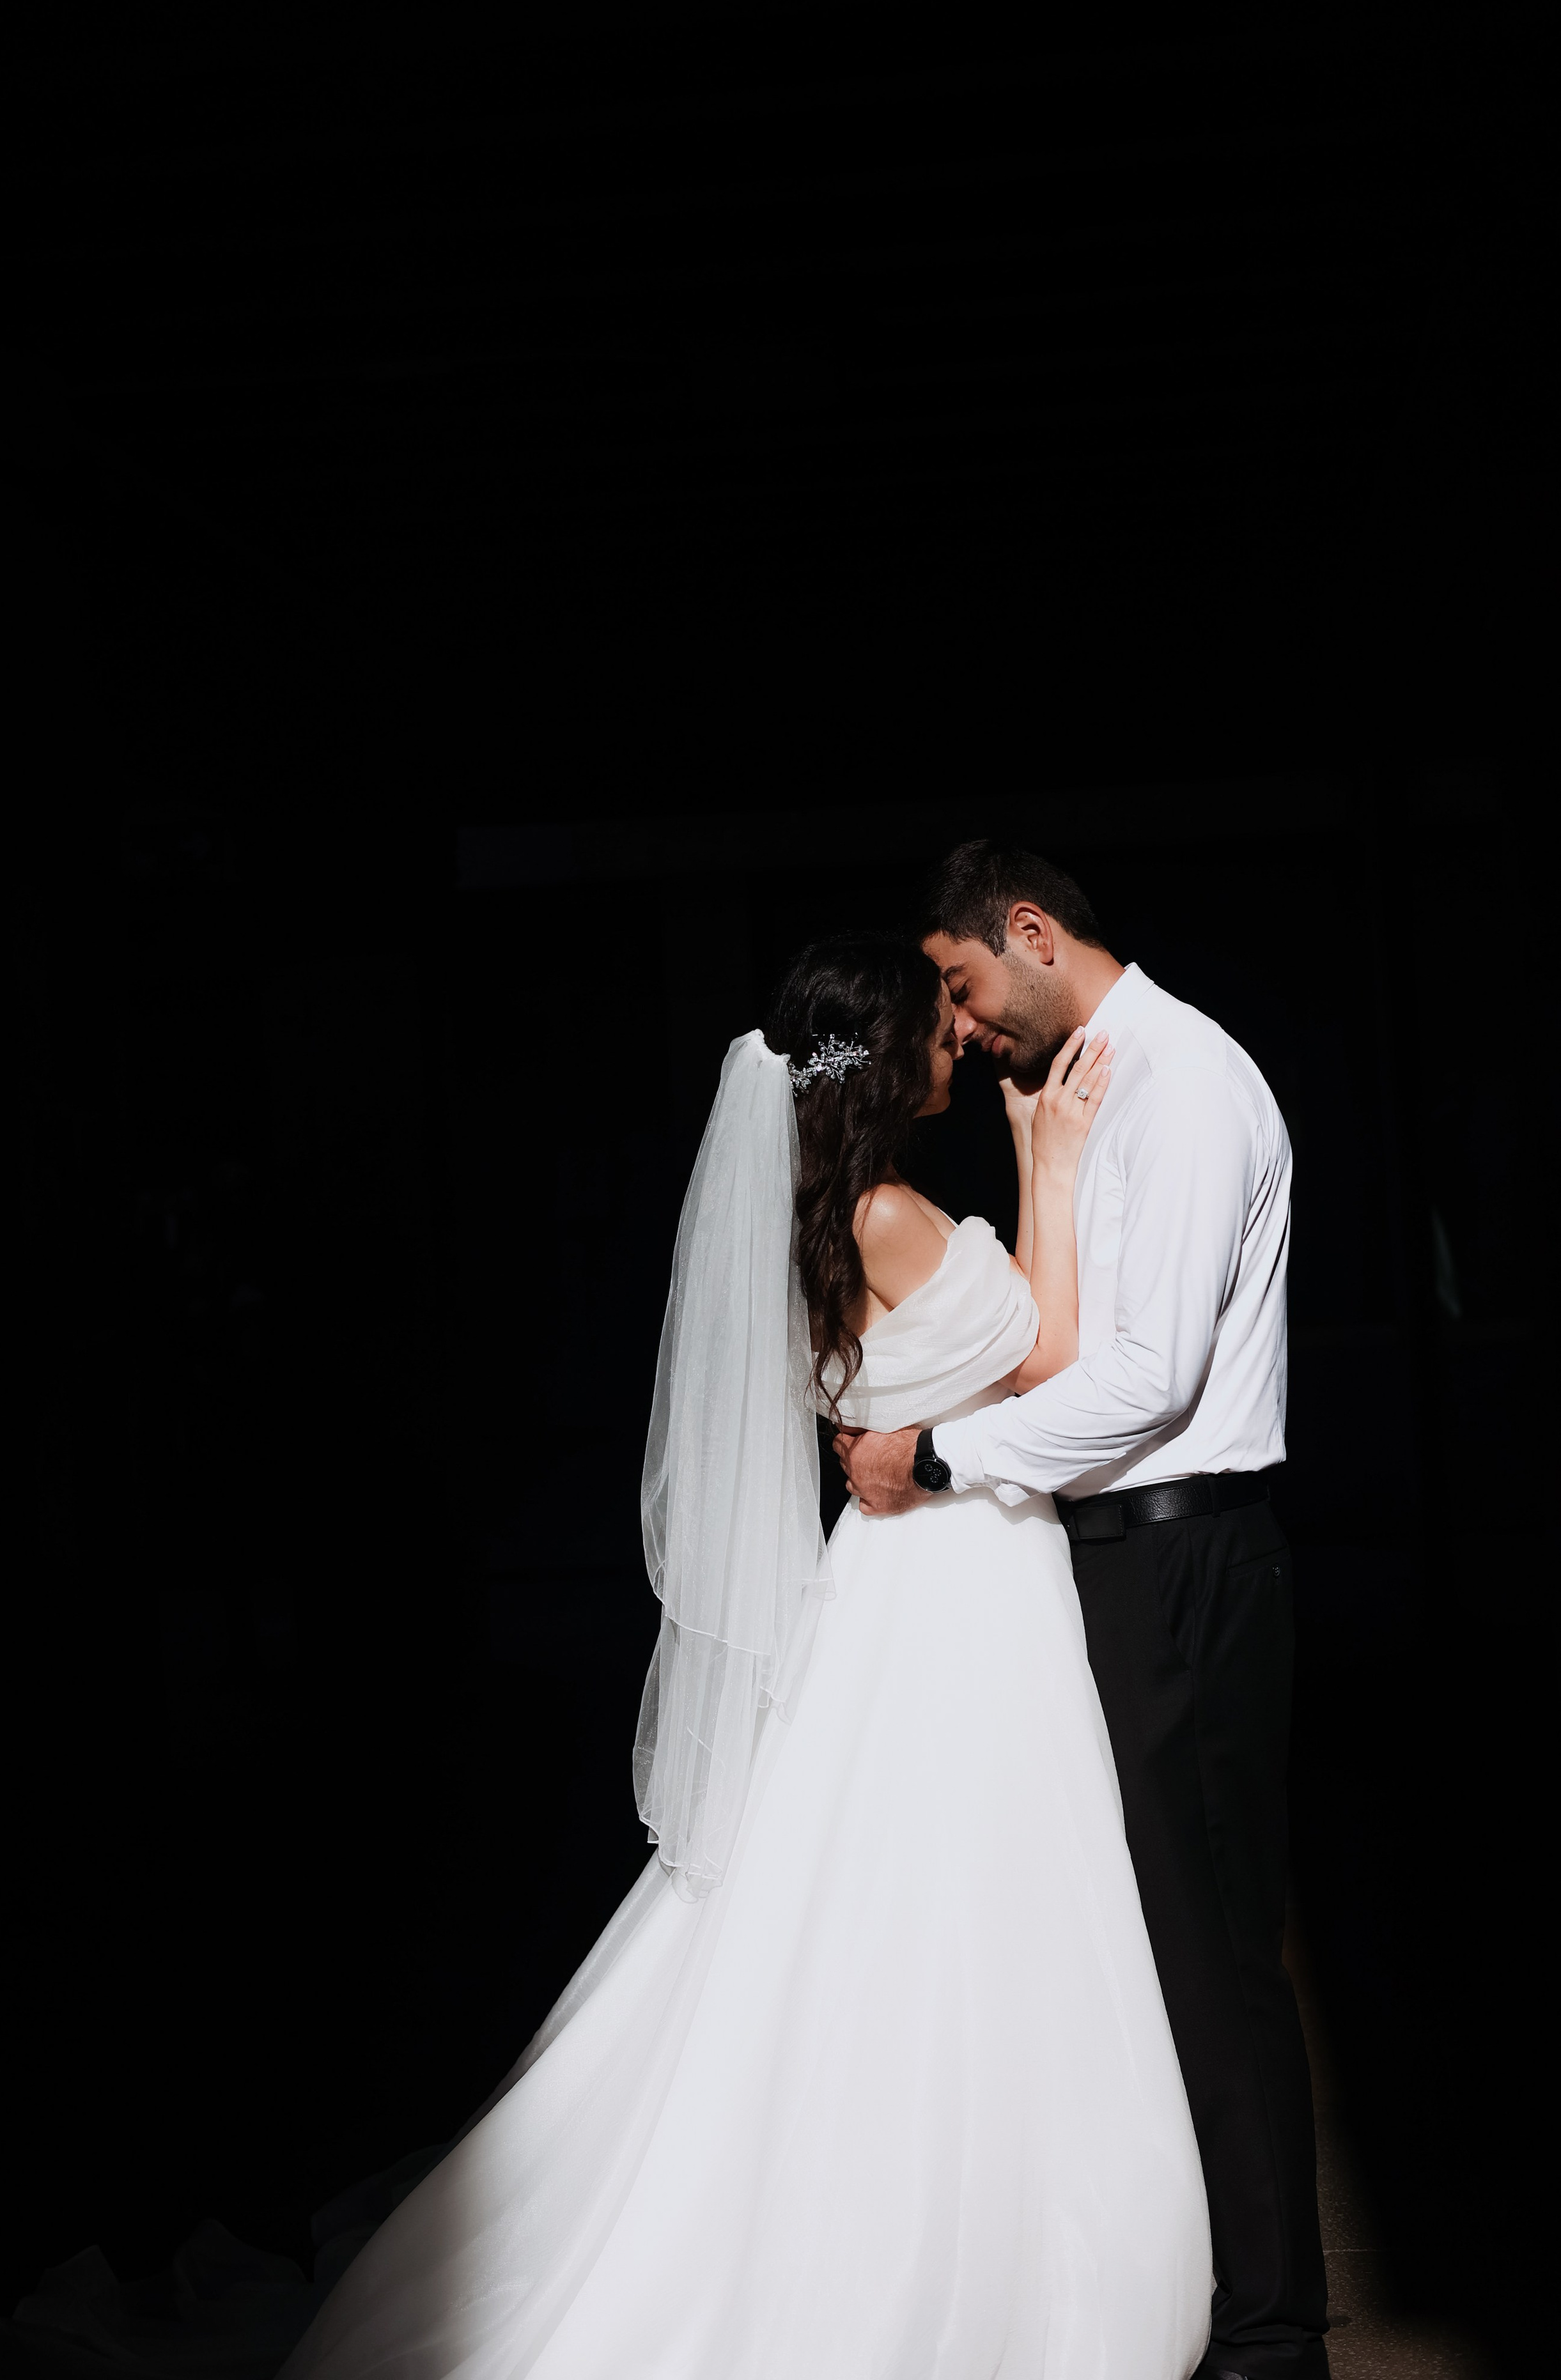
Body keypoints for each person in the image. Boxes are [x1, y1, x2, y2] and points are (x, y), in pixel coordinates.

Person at [281, 931, 1211, 2380]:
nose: (958, 1047)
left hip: (895, 1578)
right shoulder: (892, 1215)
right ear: (878, 1059)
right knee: (975, 1885)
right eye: (936, 1031)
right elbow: (1053, 1362)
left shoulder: (805, 1216)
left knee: (893, 1882)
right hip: (955, 1590)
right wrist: (1054, 1161)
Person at [839, 845, 1326, 2380]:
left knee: (1214, 1953)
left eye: (967, 985)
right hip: (1119, 1557)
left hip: (1183, 1557)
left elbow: (1145, 1380)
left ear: (1032, 936)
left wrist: (937, 1450)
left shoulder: (1182, 1085)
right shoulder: (1101, 1084)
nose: (963, 1023)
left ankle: (1270, 2336)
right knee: (1151, 1946)